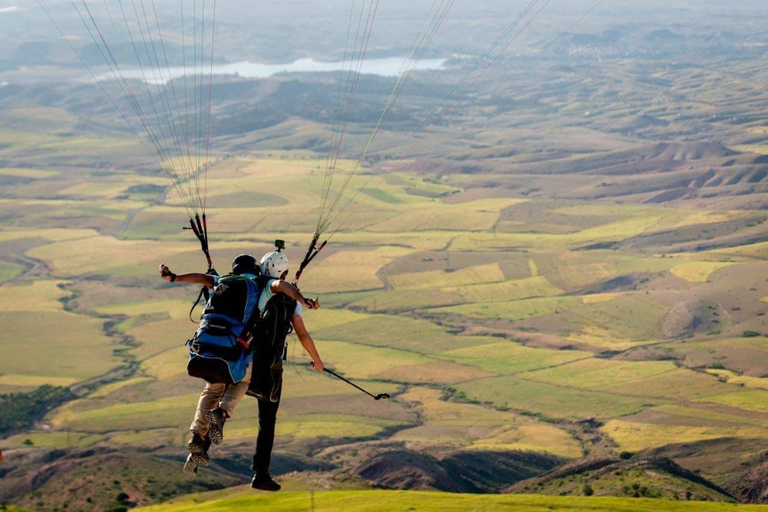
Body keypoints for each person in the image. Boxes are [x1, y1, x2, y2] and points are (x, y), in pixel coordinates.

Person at [158, 254, 318, 472]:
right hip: (234, 352)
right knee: (242, 382)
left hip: (204, 349)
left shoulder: (223, 280)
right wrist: (302, 299)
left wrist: (174, 277)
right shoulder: (261, 283)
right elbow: (281, 285)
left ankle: (197, 435)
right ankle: (222, 413)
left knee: (212, 388)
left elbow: (202, 278)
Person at [246, 248, 325, 492]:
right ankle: (261, 474)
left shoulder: (251, 286)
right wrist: (317, 360)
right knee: (267, 420)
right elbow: (301, 333)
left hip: (243, 357)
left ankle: (202, 438)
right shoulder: (290, 298)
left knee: (223, 397)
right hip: (270, 366)